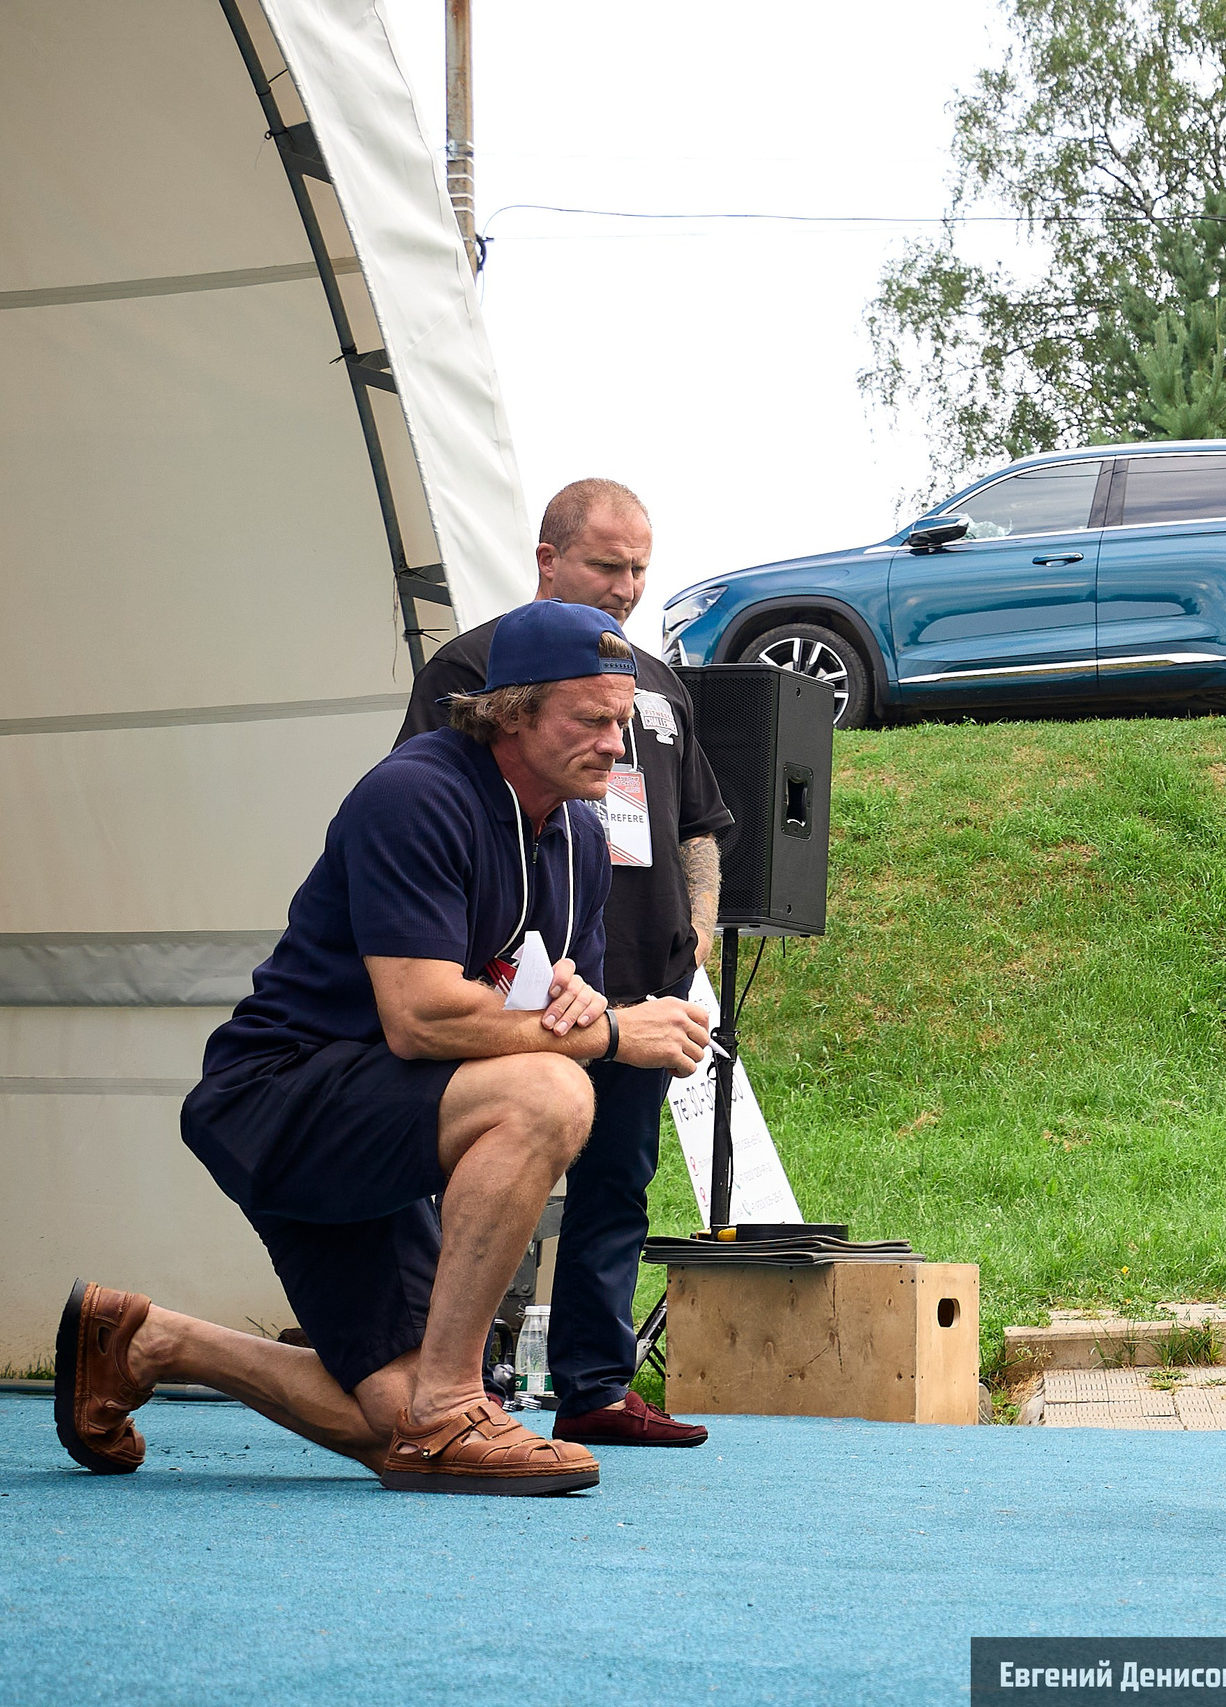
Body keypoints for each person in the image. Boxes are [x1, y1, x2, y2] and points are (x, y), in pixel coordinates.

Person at [54, 601, 711, 1495]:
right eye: (589, 719)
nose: (614, 743)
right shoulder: (416, 792)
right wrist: (612, 1030)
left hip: (392, 1116)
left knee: (391, 1427)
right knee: (551, 1094)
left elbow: (550, 1008)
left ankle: (149, 1341)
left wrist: (583, 1003)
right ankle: (454, 1399)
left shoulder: (583, 839)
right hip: (279, 1097)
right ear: (512, 710)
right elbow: (422, 1017)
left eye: (621, 721)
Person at [399, 479, 732, 1449]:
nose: (627, 587)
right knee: (473, 1163)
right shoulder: (473, 664)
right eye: (606, 565)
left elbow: (702, 825)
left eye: (639, 568)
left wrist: (700, 923)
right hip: (519, 979)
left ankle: (593, 1384)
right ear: (548, 562)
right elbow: (432, 810)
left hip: (641, 979)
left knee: (617, 1181)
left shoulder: (657, 684)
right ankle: (441, 1376)